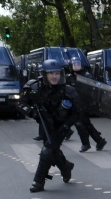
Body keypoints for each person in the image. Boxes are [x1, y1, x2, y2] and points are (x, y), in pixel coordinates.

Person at [18, 59, 79, 192]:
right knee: (53, 152)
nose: (54, 76)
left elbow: (77, 113)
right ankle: (66, 167)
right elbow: (21, 103)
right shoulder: (34, 87)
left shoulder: (67, 90)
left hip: (61, 126)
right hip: (44, 123)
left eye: (57, 73)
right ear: (44, 74)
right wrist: (32, 112)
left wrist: (65, 127)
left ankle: (38, 182)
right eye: (51, 73)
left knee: (47, 151)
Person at [66, 57, 107, 152]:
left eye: (78, 64)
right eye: (74, 65)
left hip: (84, 103)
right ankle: (99, 141)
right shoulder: (69, 77)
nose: (76, 66)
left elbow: (94, 89)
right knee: (86, 124)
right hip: (74, 104)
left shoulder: (87, 76)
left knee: (79, 123)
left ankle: (86, 144)